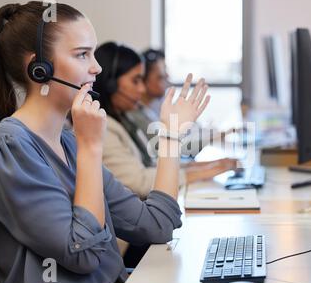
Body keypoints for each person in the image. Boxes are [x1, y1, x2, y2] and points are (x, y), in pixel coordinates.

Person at [0, 1, 209, 283]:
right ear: (38, 68)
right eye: (82, 54)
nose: (97, 67)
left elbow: (157, 225)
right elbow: (83, 254)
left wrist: (171, 135)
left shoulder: (68, 141)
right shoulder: (11, 147)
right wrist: (91, 147)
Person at [93, 42, 237, 199]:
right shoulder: (104, 128)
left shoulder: (125, 118)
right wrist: (202, 172)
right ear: (110, 85)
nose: (142, 89)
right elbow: (139, 181)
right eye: (135, 81)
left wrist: (203, 166)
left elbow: (154, 164)